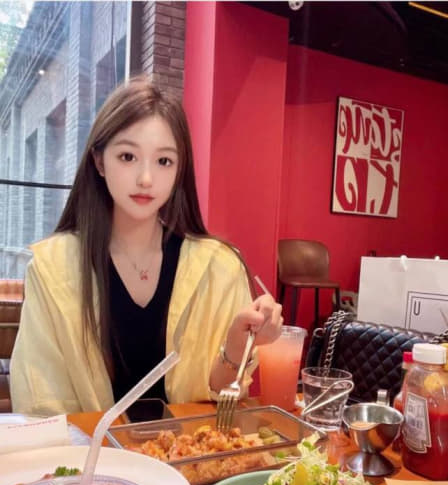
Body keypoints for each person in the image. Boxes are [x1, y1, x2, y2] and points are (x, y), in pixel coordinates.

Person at [10, 75, 283, 415]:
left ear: (179, 170)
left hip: (185, 447)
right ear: (99, 161)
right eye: (127, 156)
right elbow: (40, 402)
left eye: (164, 161)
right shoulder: (53, 268)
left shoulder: (218, 267)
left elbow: (220, 402)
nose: (146, 179)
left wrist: (236, 347)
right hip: (91, 448)